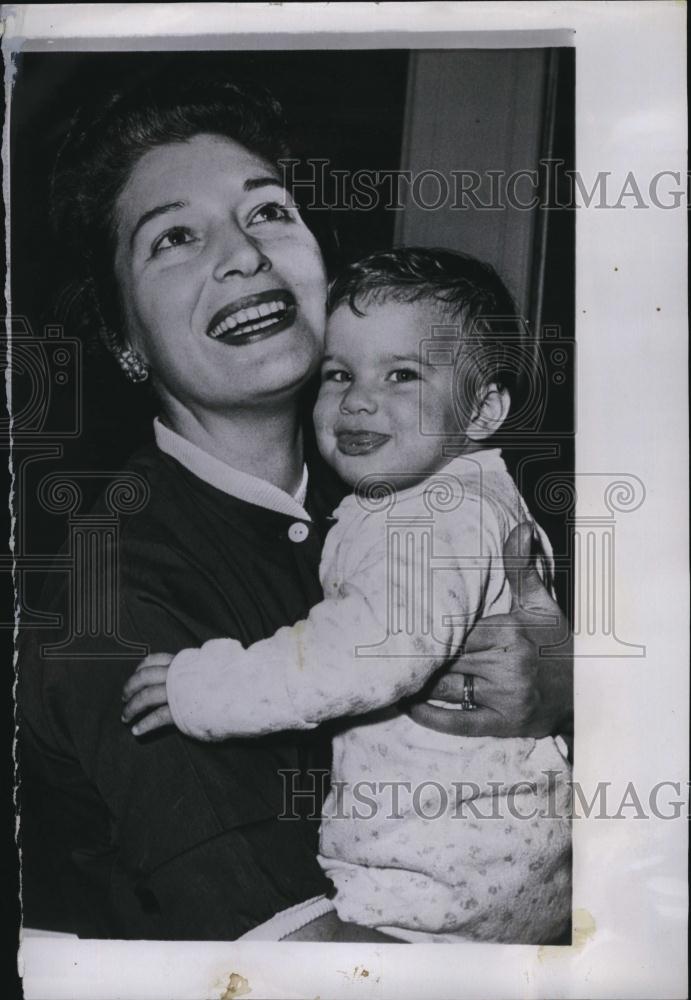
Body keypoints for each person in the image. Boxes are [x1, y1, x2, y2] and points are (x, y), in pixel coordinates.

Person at [18, 73, 573, 942]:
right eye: (173, 238)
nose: (242, 254)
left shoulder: (406, 488)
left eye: (268, 211)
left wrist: (568, 684)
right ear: (124, 339)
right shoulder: (109, 602)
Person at [121, 247, 572, 944]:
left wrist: (203, 688)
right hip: (487, 870)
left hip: (436, 883)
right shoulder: (428, 495)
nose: (359, 399)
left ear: (482, 409)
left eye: (401, 374)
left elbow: (363, 652)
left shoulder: (433, 515)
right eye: (338, 374)